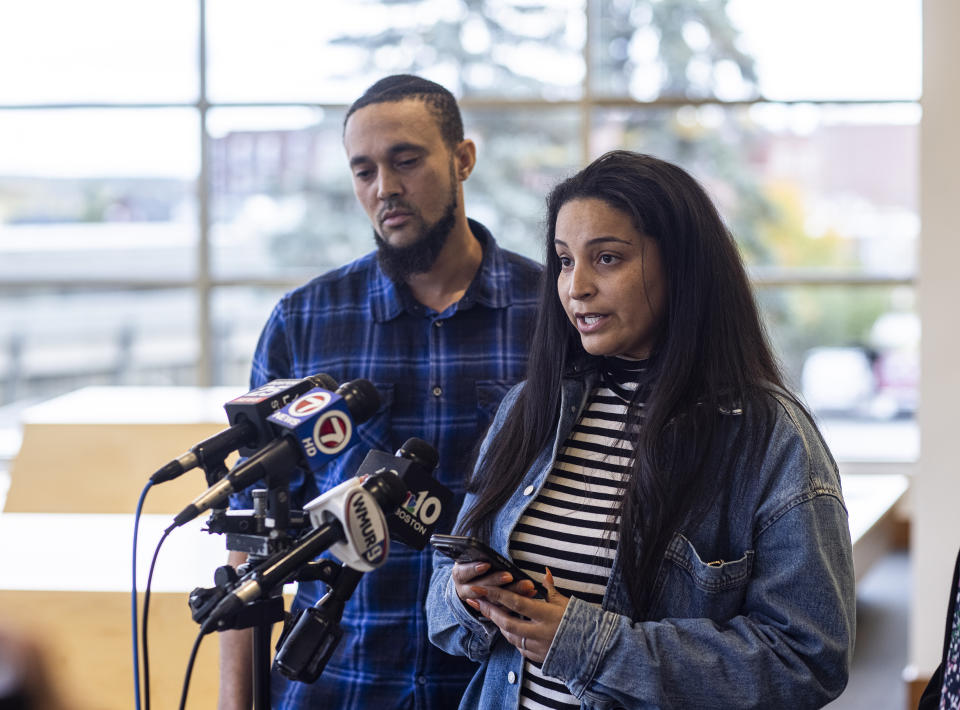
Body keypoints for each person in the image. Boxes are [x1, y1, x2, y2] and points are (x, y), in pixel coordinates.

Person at [426, 150, 856, 709]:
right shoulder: (530, 408)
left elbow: (808, 660)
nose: (575, 287)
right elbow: (441, 604)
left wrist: (588, 645)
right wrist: (465, 596)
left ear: (681, 267)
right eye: (562, 261)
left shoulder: (769, 437)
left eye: (606, 258)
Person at [218, 75, 541, 709]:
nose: (384, 188)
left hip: (493, 686)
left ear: (463, 159)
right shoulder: (304, 322)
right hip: (340, 684)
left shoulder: (550, 317)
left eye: (406, 160)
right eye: (363, 170)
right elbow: (249, 541)